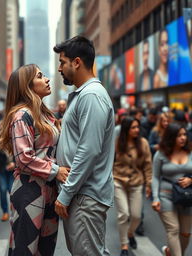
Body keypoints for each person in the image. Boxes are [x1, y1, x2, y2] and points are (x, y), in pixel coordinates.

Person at [0, 64, 69, 256]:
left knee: (46, 250)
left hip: (50, 190)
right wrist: (56, 170)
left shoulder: (44, 115)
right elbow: (24, 159)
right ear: (27, 86)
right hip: (29, 191)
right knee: (25, 250)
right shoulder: (21, 115)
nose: (46, 79)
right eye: (39, 76)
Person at [53, 36, 115, 256]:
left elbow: (89, 150)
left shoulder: (91, 95)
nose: (59, 68)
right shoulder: (84, 95)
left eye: (62, 62)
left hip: (84, 196)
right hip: (81, 195)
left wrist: (66, 193)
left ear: (76, 62)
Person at [152, 122, 192, 256]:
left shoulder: (190, 151)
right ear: (171, 137)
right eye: (179, 135)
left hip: (186, 196)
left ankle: (170, 252)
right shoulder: (161, 154)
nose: (183, 138)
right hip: (166, 196)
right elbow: (155, 177)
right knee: (173, 230)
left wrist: (191, 180)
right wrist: (155, 198)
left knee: (185, 233)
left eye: (184, 135)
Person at [113, 116, 152, 256]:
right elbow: (110, 162)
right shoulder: (117, 143)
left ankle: (130, 233)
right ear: (126, 129)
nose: (137, 130)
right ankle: (124, 245)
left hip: (136, 182)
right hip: (118, 181)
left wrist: (149, 183)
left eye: (138, 127)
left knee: (136, 216)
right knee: (123, 214)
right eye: (133, 127)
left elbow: (148, 165)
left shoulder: (143, 143)